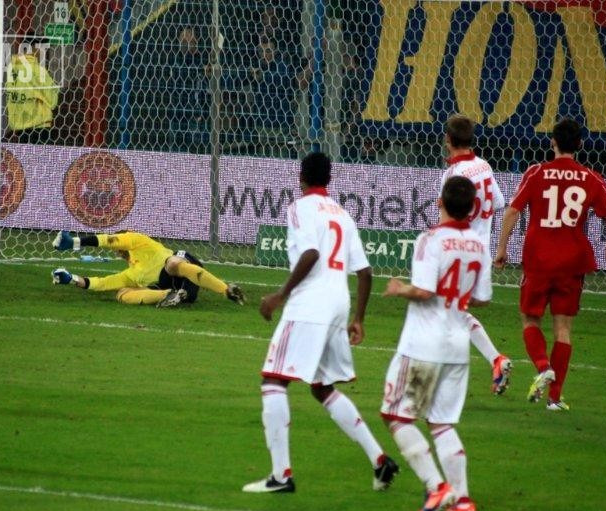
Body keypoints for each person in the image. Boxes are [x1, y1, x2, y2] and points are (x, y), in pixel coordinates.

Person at [242, 152, 399, 493]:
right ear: (329, 178)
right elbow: (365, 272)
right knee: (321, 387)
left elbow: (310, 253)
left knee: (273, 380)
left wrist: (280, 295)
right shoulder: (342, 214)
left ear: (301, 176)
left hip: (310, 305)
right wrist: (358, 318)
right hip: (338, 304)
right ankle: (379, 460)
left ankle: (281, 476)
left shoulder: (300, 207)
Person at [494, 118, 606, 410]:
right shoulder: (592, 178)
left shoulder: (536, 172)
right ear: (580, 144)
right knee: (563, 328)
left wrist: (501, 248)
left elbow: (512, 211)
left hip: (538, 258)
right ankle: (554, 398)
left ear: (552, 141)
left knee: (530, 319)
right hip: (572, 262)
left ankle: (543, 367)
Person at [381, 176, 487, 511]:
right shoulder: (478, 243)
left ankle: (436, 486)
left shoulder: (430, 239)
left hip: (424, 345)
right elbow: (482, 298)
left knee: (396, 416)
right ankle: (463, 502)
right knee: (441, 424)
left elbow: (425, 291)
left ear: (440, 202)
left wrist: (400, 289)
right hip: (458, 346)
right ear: (472, 208)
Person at [441, 114, 512, 395]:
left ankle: (453, 377)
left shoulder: (453, 175)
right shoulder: (484, 165)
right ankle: (496, 360)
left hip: (459, 251)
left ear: (448, 139)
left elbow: (447, 217)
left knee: (445, 311)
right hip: (480, 250)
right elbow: (499, 202)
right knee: (453, 311)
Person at [50, 230, 245, 307]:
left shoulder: (137, 241)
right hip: (179, 290)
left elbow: (108, 240)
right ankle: (170, 295)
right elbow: (102, 283)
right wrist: (71, 279)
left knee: (173, 263)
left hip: (183, 268)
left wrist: (75, 242)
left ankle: (226, 290)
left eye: (118, 247)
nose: (117, 251)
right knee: (122, 293)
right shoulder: (132, 273)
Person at [5, 34, 59, 145]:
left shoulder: (13, 69)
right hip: (38, 126)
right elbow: (53, 101)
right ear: (34, 48)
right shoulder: (38, 71)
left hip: (19, 125)